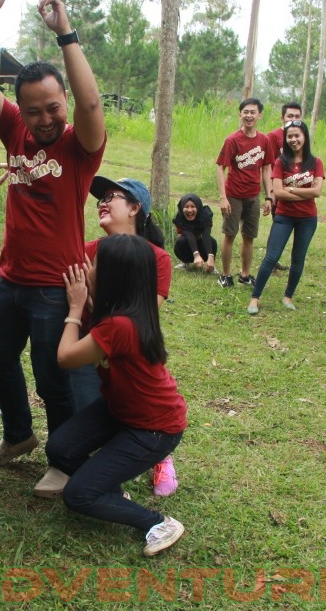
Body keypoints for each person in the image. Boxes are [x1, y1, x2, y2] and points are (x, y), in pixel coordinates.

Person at [0, 0, 106, 492]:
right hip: (12, 277)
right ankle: (18, 435)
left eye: (54, 107)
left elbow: (91, 107)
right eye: (34, 110)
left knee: (54, 376)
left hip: (55, 283)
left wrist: (65, 33)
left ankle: (64, 460)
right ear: (19, 110)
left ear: (64, 103)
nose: (45, 119)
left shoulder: (79, 145)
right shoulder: (13, 131)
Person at [46, 234, 187, 557]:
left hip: (153, 429)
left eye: (94, 263)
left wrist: (75, 308)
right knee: (60, 449)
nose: (87, 266)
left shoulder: (120, 326)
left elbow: (66, 357)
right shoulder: (125, 314)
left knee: (78, 496)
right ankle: (108, 488)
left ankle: (158, 522)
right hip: (121, 411)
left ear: (112, 276)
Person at [54, 176, 177, 498]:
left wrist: (84, 303)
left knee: (138, 403)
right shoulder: (85, 250)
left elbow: (139, 317)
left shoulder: (158, 259)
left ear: (135, 208)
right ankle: (108, 473)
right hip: (90, 348)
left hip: (119, 348)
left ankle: (157, 453)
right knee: (94, 408)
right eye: (100, 198)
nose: (102, 202)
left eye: (114, 197)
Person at [247, 120, 324, 315]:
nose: (293, 139)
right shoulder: (281, 162)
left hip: (307, 218)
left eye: (297, 135)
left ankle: (288, 296)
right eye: (289, 136)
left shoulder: (316, 162)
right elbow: (278, 194)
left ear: (305, 137)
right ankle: (255, 298)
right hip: (284, 216)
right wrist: (300, 191)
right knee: (271, 257)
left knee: (298, 258)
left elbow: (317, 192)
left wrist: (291, 188)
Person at [216, 98, 274, 289]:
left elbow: (266, 170)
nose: (249, 116)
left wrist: (268, 196)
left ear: (259, 115)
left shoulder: (264, 140)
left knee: (249, 236)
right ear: (240, 114)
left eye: (253, 112)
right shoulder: (232, 140)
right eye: (245, 112)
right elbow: (220, 168)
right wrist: (223, 197)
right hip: (233, 195)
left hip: (253, 196)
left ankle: (245, 274)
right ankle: (225, 275)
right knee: (230, 234)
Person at [172, 193, 216, 272]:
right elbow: (189, 234)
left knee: (212, 242)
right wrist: (196, 255)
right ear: (182, 208)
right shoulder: (180, 218)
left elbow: (206, 235)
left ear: (198, 206)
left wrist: (210, 255)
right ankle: (184, 262)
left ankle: (210, 264)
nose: (190, 210)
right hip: (188, 244)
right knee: (180, 241)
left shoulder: (206, 215)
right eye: (186, 207)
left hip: (202, 243)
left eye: (193, 206)